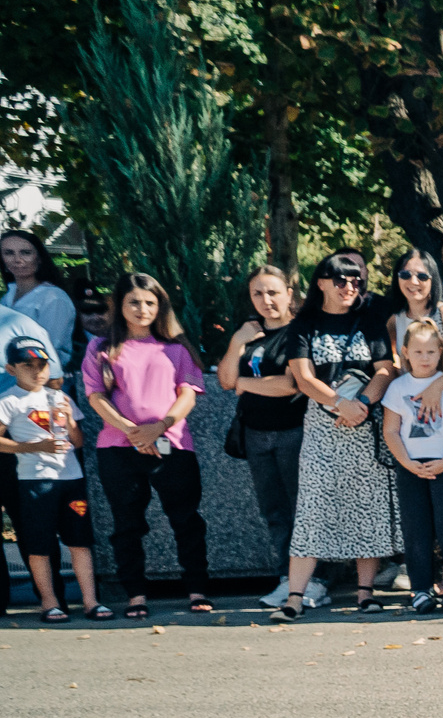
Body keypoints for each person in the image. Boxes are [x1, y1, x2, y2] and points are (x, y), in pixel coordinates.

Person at [271, 251, 400, 620]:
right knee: (312, 509)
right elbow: (303, 378)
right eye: (341, 280)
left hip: (364, 426)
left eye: (356, 281)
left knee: (368, 508)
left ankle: (365, 593)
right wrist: (338, 405)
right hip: (322, 430)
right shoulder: (304, 324)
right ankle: (295, 597)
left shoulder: (369, 319)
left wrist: (360, 404)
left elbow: (385, 369)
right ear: (322, 283)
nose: (349, 287)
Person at [81, 272, 213, 617]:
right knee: (127, 524)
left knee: (185, 520)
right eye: (134, 302)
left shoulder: (176, 349)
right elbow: (95, 397)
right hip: (118, 449)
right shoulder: (100, 348)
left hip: (172, 447)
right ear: (119, 305)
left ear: (161, 306)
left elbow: (188, 395)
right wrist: (131, 431)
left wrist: (160, 427)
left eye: (150, 303)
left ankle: (198, 590)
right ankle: (135, 596)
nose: (142, 309)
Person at [215, 265, 312, 609]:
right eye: (258, 293)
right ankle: (287, 577)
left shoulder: (299, 332)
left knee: (303, 508)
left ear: (289, 293)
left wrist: (245, 384)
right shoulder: (248, 333)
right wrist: (237, 342)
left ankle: (313, 580)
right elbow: (225, 379)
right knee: (274, 510)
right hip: (256, 434)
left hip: (294, 431)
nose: (266, 300)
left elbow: (290, 384)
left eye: (273, 292)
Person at [0, 337, 105, 620]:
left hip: (71, 477)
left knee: (80, 541)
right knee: (39, 543)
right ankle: (49, 602)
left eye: (42, 365)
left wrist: (70, 421)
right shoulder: (9, 401)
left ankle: (90, 601)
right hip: (34, 480)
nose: (37, 371)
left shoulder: (62, 397)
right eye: (28, 365)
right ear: (11, 369)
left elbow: (79, 442)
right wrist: (32, 447)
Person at [382, 320, 443, 613]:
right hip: (411, 469)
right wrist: (408, 463)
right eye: (419, 352)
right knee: (416, 531)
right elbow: (390, 431)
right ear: (405, 352)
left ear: (441, 353)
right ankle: (421, 589)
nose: (425, 358)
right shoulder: (398, 388)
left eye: (431, 352)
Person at [1, 229, 77, 361]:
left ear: (39, 258)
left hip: (42, 375)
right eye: (9, 253)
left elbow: (49, 348)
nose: (17, 260)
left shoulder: (53, 298)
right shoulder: (7, 297)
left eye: (26, 253)